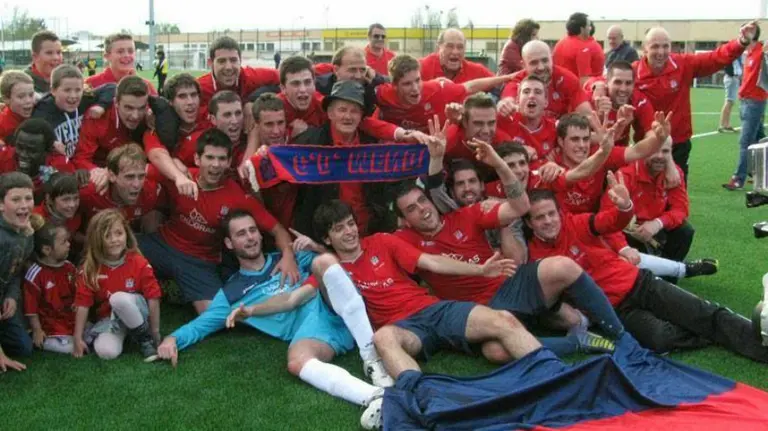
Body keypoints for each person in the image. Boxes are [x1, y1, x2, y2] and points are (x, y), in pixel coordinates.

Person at [156, 210, 388, 430]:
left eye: (252, 230)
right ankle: (375, 397)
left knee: (324, 263)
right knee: (296, 362)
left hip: (333, 305)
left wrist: (313, 247)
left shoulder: (289, 258)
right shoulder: (231, 294)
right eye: (241, 234)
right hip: (315, 332)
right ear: (229, 244)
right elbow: (202, 324)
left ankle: (372, 356)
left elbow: (336, 262)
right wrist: (172, 339)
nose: (250, 238)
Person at [525, 186, 768, 362]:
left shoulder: (577, 223)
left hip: (641, 283)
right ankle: (710, 330)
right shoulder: (536, 259)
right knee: (659, 339)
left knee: (703, 313)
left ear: (560, 213)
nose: (548, 221)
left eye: (551, 214)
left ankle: (761, 347)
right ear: (529, 224)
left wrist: (624, 207)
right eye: (539, 217)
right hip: (617, 311)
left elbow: (610, 222)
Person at [138, 128, 297, 314]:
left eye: (222, 159)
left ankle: (174, 289)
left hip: (199, 260)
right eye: (210, 158)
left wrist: (288, 256)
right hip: (164, 244)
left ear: (229, 162)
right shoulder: (180, 177)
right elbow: (140, 169)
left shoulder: (236, 196)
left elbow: (277, 229)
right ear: (198, 159)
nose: (216, 164)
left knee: (213, 314)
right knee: (116, 250)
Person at [633, 22, 756, 181]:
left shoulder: (683, 64)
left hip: (678, 144)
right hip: (646, 145)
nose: (661, 52)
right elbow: (610, 82)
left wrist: (741, 42)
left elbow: (715, 58)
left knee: (676, 192)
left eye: (665, 46)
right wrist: (597, 85)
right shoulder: (633, 73)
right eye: (655, 46)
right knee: (645, 194)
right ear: (645, 48)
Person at [72, 209, 161, 361]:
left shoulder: (138, 262)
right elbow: (82, 303)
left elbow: (153, 297)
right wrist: (77, 337)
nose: (114, 240)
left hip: (138, 312)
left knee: (118, 299)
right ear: (97, 240)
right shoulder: (90, 269)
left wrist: (155, 332)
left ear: (126, 235)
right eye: (107, 236)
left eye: (118, 233)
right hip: (111, 320)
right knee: (106, 352)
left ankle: (145, 339)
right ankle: (130, 335)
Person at [376, 54, 515, 131]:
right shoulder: (382, 94)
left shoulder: (437, 89)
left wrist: (508, 77)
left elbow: (469, 87)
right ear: (394, 85)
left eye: (417, 80)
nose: (415, 88)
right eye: (407, 84)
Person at [32, 65, 115, 160]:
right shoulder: (43, 110)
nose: (73, 95)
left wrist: (101, 106)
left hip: (81, 159)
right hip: (58, 166)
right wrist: (49, 141)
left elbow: (112, 87)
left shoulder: (85, 98)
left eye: (78, 90)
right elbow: (30, 131)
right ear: (53, 91)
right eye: (67, 90)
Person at [78, 144, 166, 230]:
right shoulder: (89, 192)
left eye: (141, 176)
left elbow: (176, 171)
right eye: (129, 177)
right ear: (112, 176)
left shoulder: (150, 192)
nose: (137, 184)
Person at [498, 40, 593, 120]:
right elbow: (507, 102)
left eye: (545, 60)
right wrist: (505, 106)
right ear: (523, 65)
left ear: (552, 59)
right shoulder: (518, 80)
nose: (541, 67)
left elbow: (587, 115)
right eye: (534, 63)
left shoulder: (567, 79)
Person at [23, 219, 77, 354]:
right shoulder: (35, 274)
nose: (69, 245)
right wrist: (37, 330)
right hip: (50, 328)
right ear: (47, 249)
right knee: (70, 348)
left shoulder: (69, 267)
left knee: (87, 337)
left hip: (70, 322)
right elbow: (31, 307)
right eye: (64, 242)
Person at [0, 172, 36, 372]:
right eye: (15, 199)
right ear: (1, 205)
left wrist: (12, 296)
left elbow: (15, 272)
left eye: (28, 198)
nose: (24, 205)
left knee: (23, 347)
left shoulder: (26, 233)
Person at [197, 36, 281, 120]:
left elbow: (286, 78)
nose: (228, 67)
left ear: (240, 61)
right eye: (222, 61)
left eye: (233, 60)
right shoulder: (198, 89)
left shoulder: (248, 76)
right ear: (210, 63)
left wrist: (251, 101)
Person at [724, 24, 765, 191]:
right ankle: (759, 174)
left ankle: (738, 178)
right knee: (759, 140)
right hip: (746, 101)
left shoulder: (762, 51)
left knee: (745, 142)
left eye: (746, 30)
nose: (741, 33)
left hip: (755, 102)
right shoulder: (748, 53)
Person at [86, 33, 157, 95]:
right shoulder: (90, 84)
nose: (126, 55)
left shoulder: (146, 86)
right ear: (107, 56)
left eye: (130, 51)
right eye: (120, 52)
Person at [33, 173, 83, 255]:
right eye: (65, 200)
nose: (72, 205)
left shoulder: (76, 217)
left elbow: (73, 235)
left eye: (76, 198)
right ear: (49, 199)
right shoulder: (35, 218)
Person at [419, 28, 494, 84]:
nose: (455, 52)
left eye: (460, 47)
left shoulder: (477, 71)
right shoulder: (420, 67)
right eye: (450, 46)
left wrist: (504, 100)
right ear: (439, 47)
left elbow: (502, 84)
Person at [553, 13, 601, 84]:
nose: (590, 28)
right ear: (582, 29)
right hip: (573, 90)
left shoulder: (559, 44)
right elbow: (584, 80)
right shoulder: (582, 48)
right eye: (588, 26)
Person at [0, 71, 35, 142]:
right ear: (6, 99)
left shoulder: (40, 111)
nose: (28, 100)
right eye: (21, 97)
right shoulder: (3, 125)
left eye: (31, 95)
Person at [25, 30, 63, 95]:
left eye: (58, 52)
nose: (56, 58)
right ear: (35, 57)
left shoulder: (67, 81)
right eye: (49, 53)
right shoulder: (21, 84)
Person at [718, 54, 742, 133]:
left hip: (733, 78)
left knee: (730, 102)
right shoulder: (731, 55)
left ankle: (726, 124)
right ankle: (722, 125)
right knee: (729, 101)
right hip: (731, 78)